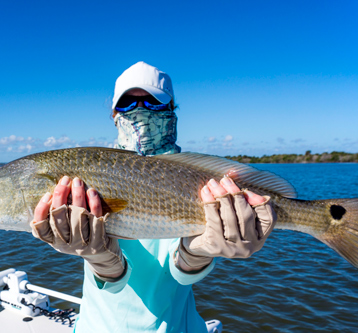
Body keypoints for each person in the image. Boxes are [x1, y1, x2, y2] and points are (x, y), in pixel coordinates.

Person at [30, 61, 277, 332]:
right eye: (128, 104)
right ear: (114, 114)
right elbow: (114, 280)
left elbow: (181, 275)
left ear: (172, 111)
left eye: (154, 103)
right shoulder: (91, 172)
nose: (140, 111)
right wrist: (99, 258)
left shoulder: (195, 178)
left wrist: (198, 253)